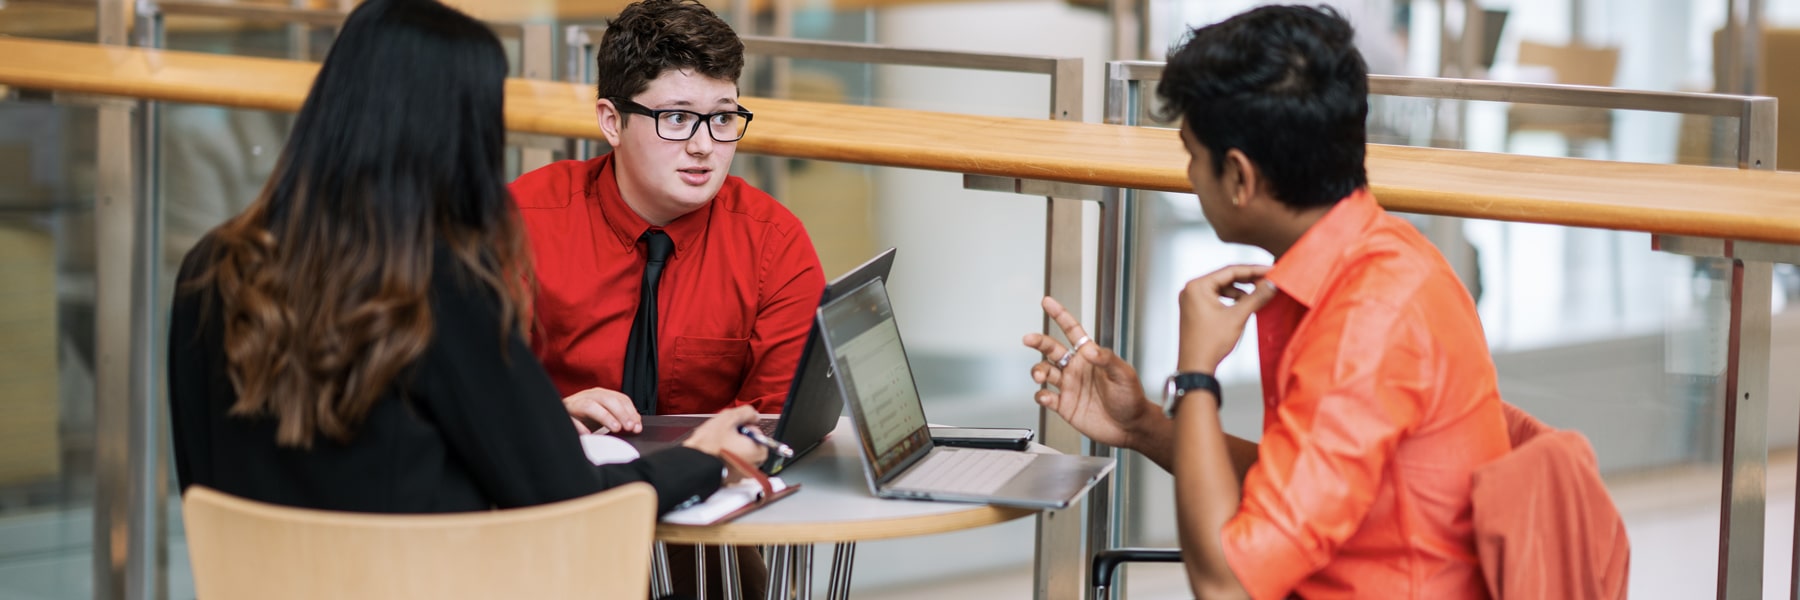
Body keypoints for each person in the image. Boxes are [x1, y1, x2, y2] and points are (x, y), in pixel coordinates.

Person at [167, 0, 764, 522]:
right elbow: (570, 498)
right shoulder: (437, 287)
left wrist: (542, 418)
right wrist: (705, 460)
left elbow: (199, 481)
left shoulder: (212, 266)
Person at [1023, 6, 1510, 599]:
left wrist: (1196, 374)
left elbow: (1226, 584)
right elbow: (1295, 490)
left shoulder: (1368, 321)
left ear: (1239, 176)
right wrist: (1143, 424)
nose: (1188, 176)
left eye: (1191, 155)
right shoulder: (1379, 257)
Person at [509, 0, 825, 436]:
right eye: (677, 118)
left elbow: (777, 424)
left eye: (722, 117)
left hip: (718, 486)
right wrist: (548, 414)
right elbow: (465, 389)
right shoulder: (521, 221)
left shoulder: (775, 244)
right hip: (554, 479)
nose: (704, 145)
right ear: (612, 122)